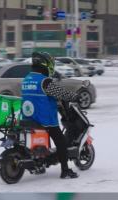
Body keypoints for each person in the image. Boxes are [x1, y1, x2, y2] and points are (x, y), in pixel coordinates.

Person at [21, 51, 80, 179]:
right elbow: (62, 94)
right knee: (61, 141)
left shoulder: (27, 79)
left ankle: (40, 163)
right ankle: (65, 170)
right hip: (45, 120)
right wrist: (76, 96)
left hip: (28, 117)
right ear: (47, 64)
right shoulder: (45, 81)